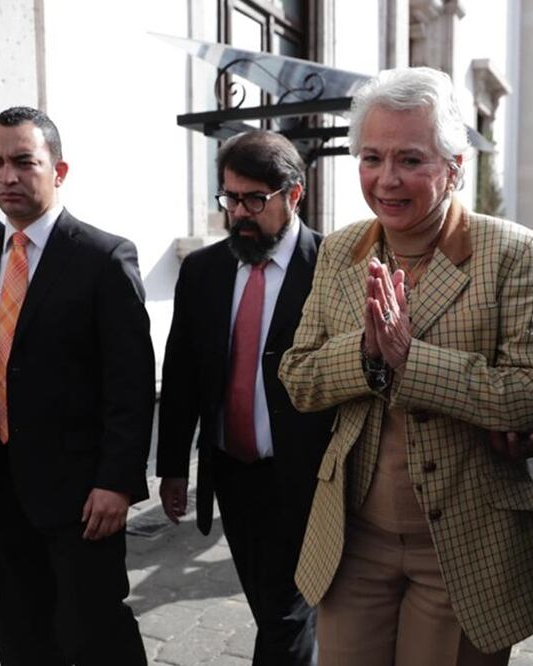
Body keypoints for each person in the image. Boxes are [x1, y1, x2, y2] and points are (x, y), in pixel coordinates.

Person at [279, 66, 533, 665]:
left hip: (461, 543)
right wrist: (365, 355)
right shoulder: (339, 250)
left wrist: (412, 360)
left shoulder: (511, 251)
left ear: (455, 167)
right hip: (356, 538)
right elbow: (298, 375)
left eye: (410, 159)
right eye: (371, 157)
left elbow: (532, 392)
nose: (387, 180)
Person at [0, 106, 154, 665]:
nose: (6, 176)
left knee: (97, 630)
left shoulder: (103, 257)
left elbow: (130, 381)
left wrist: (117, 482)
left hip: (81, 494)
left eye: (24, 162)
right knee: (21, 631)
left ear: (58, 171)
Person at [157, 129, 333, 665]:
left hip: (303, 475)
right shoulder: (204, 271)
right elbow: (182, 371)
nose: (239, 213)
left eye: (255, 199)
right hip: (231, 472)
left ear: (294, 195)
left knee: (284, 614)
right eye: (230, 198)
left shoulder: (329, 267)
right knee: (270, 606)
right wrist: (171, 468)